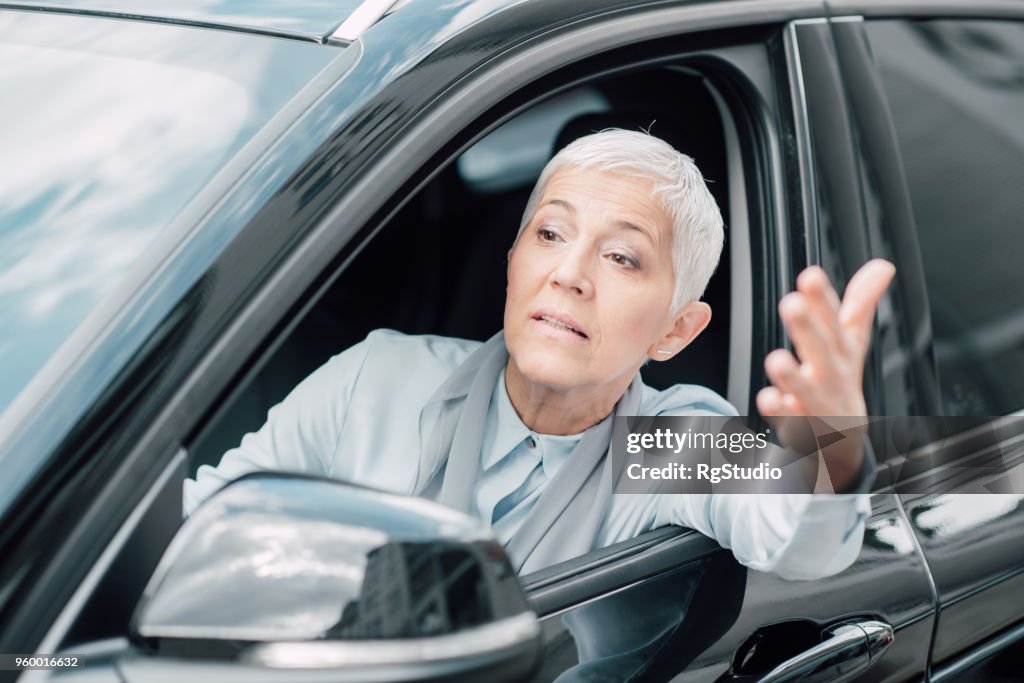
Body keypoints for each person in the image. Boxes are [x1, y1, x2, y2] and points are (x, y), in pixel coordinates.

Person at [184, 129, 895, 579]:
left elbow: (801, 545)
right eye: (551, 235)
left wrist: (832, 447)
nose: (569, 273)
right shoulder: (378, 380)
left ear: (675, 330)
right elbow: (200, 527)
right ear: (513, 261)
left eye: (621, 255)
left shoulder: (666, 443)